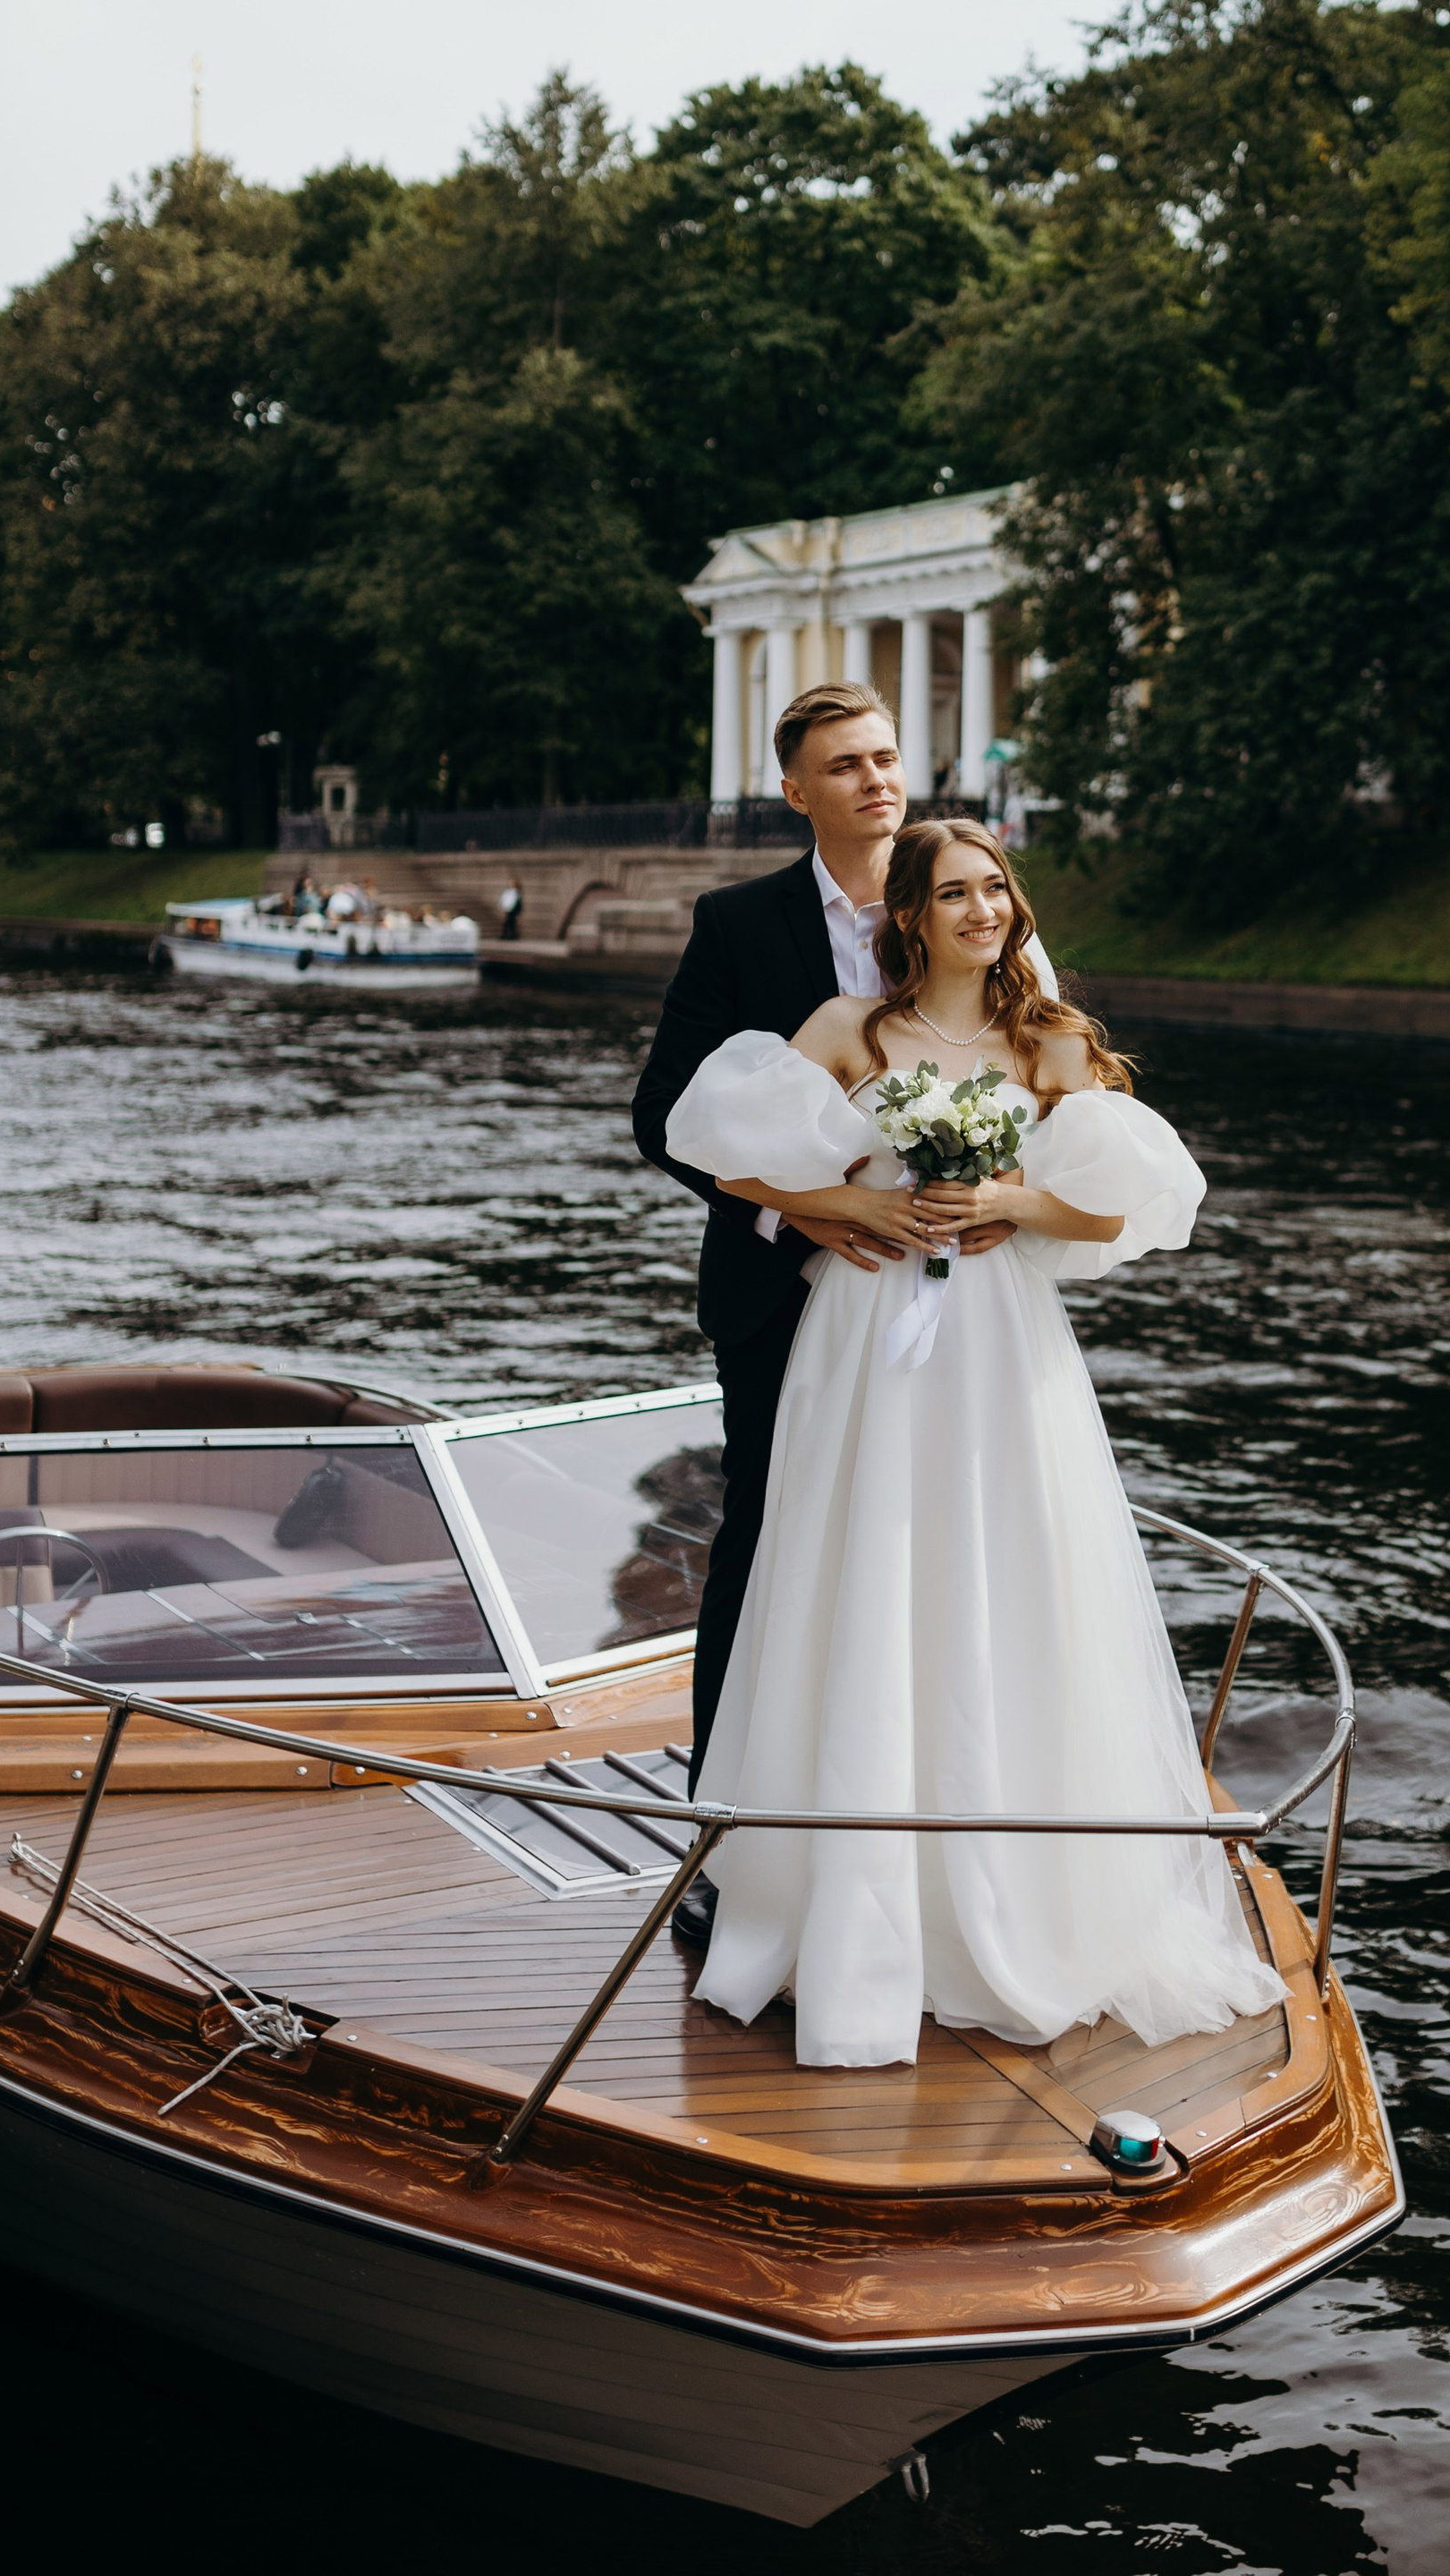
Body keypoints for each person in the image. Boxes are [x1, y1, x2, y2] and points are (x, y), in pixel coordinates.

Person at [659, 817, 1278, 2070]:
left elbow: (1125, 1203)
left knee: (1006, 1575)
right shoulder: (850, 1034)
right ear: (910, 916)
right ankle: (841, 1900)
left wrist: (1006, 1199)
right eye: (956, 893)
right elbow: (729, 1162)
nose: (984, 911)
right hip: (868, 1329)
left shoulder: (1047, 1041)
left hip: (997, 1343)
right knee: (858, 1573)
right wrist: (851, 1201)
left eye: (996, 888)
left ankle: (1014, 1894)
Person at [632, 684, 1058, 1951]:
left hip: (967, 1304)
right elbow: (669, 1114)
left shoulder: (976, 904)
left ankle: (951, 1818)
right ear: (797, 789)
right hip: (787, 1293)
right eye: (846, 765)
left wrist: (1011, 1205)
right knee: (771, 1548)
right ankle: (731, 1831)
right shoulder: (738, 925)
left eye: (886, 758)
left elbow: (1059, 1096)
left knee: (961, 1548)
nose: (878, 780)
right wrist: (814, 1212)